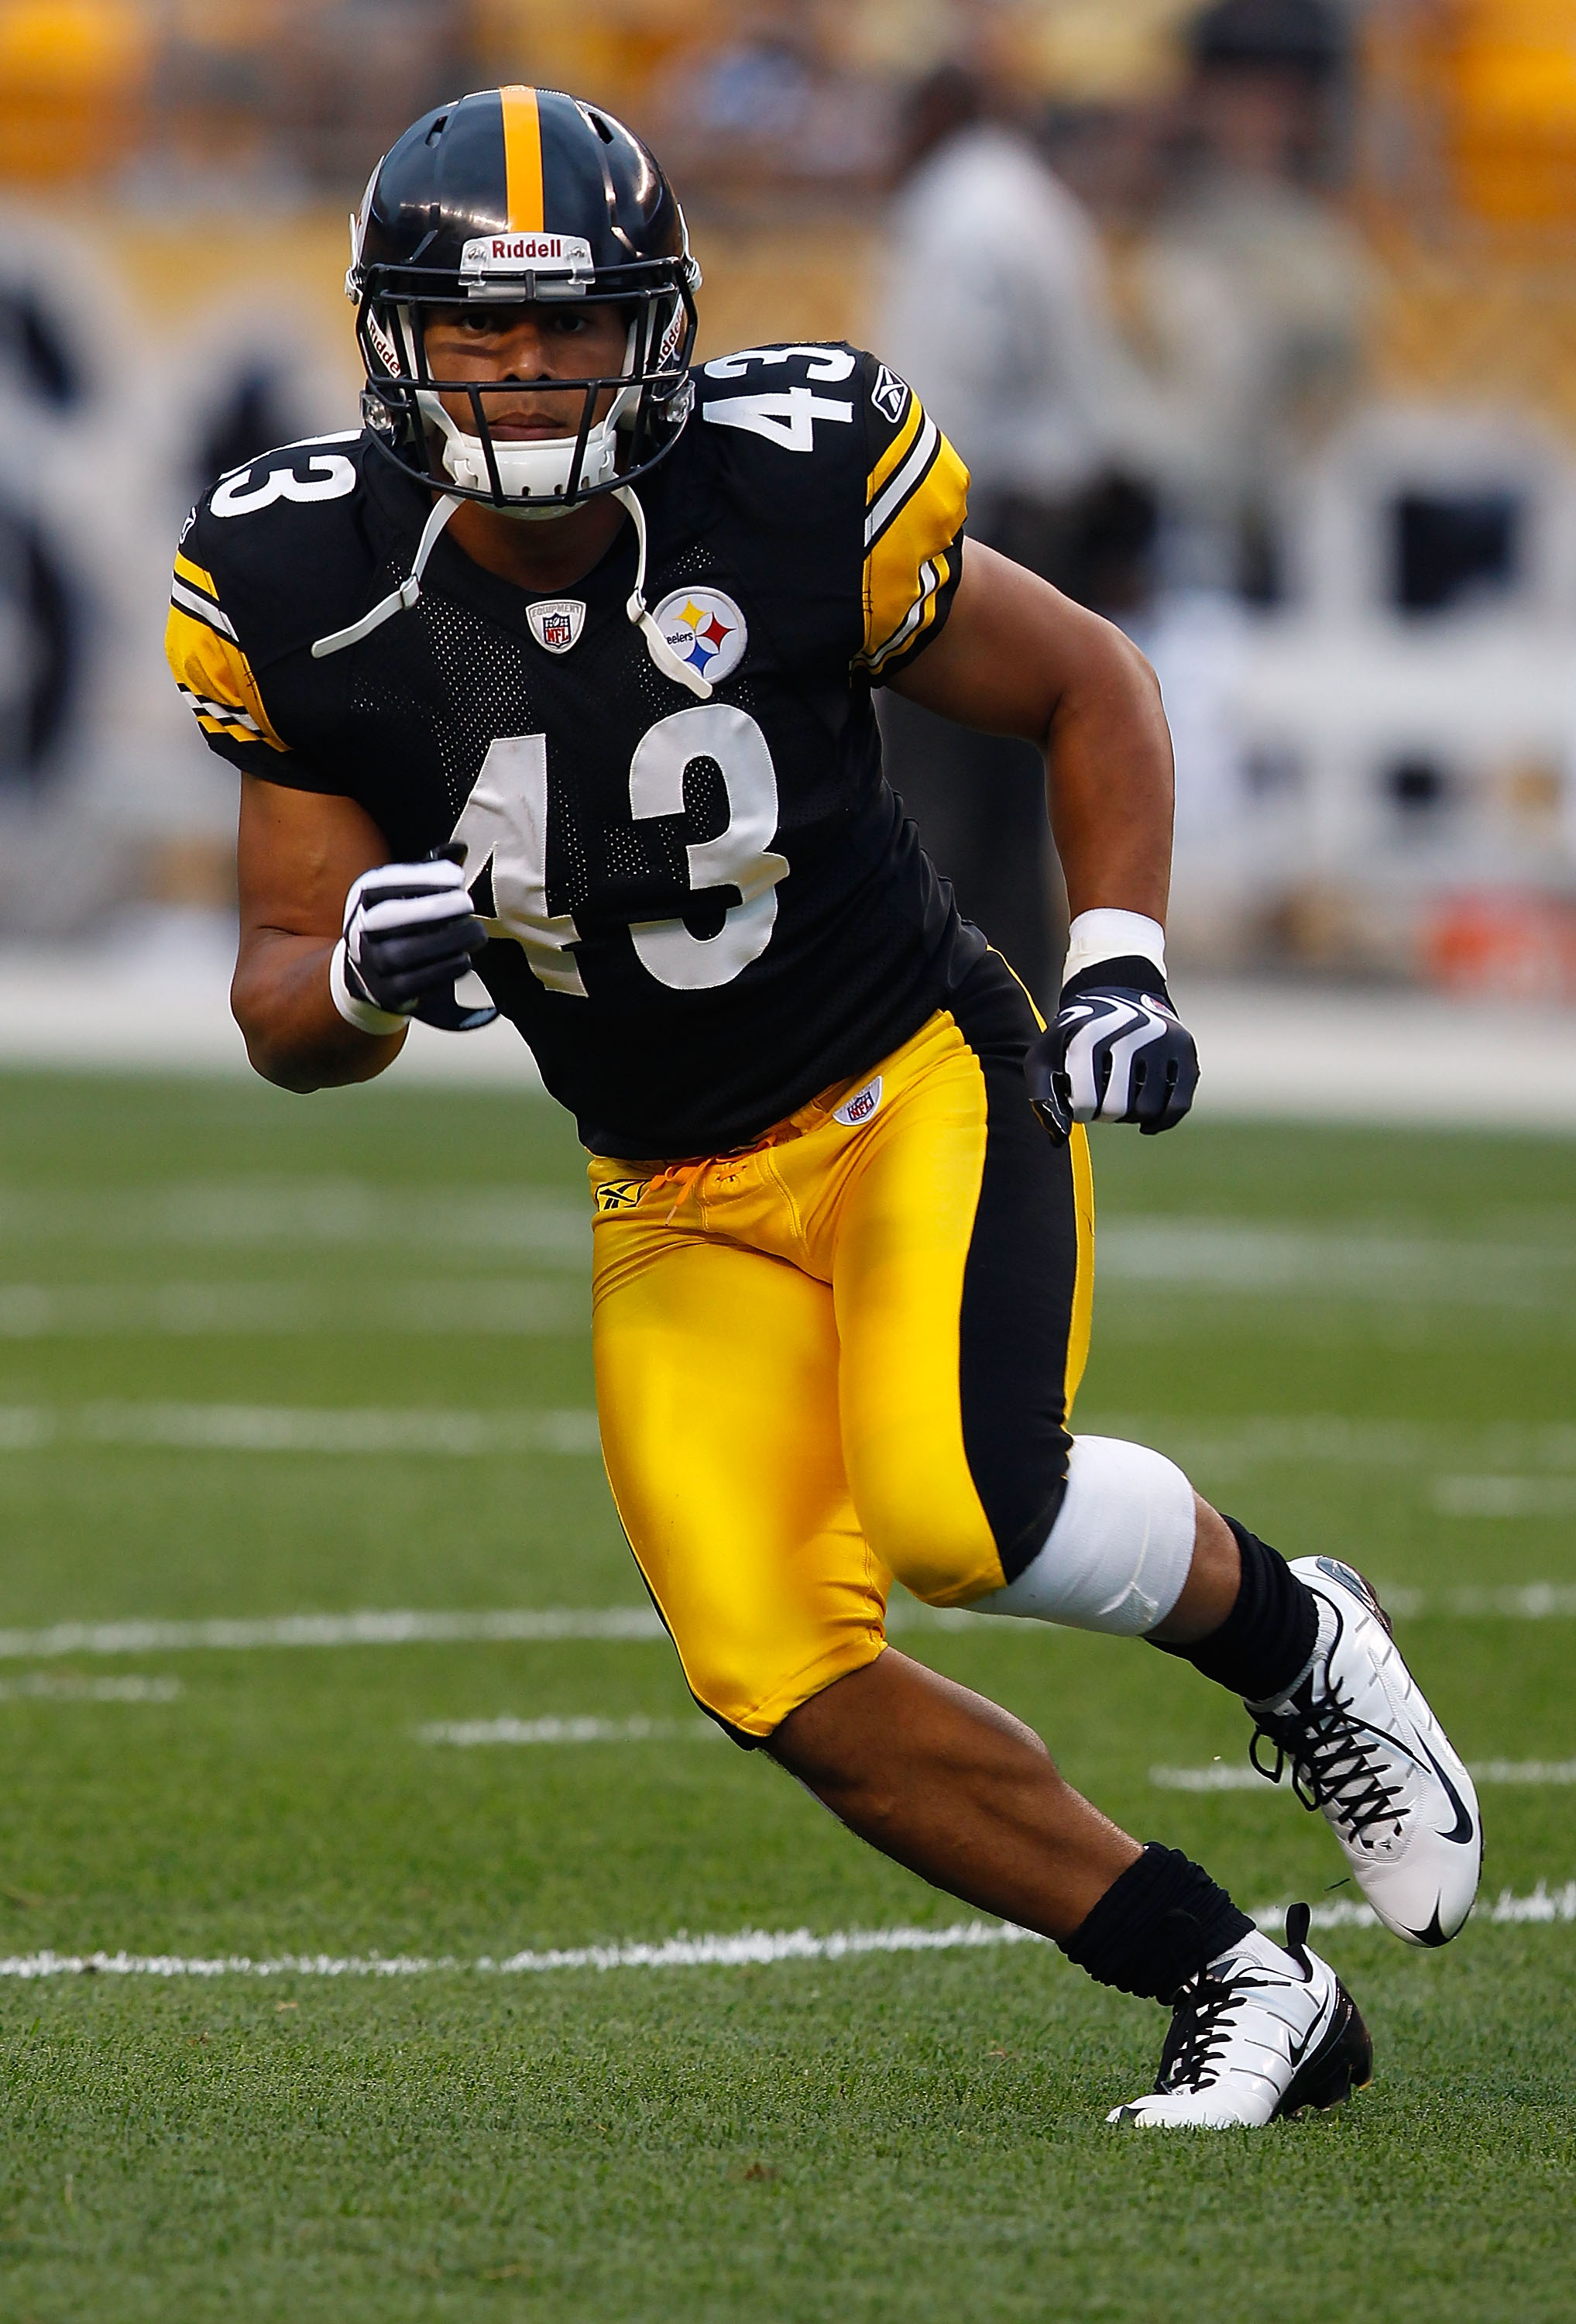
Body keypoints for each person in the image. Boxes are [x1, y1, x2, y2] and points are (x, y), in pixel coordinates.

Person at [166, 86, 1480, 2128]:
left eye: (575, 323)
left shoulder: (787, 480)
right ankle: (1236, 1979)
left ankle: (1296, 1634)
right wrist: (352, 977)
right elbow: (276, 992)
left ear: (660, 328)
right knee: (775, 1673)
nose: (527, 368)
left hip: (905, 1084)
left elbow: (1089, 684)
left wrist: (1120, 956)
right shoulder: (297, 570)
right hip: (665, 1188)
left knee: (967, 1513)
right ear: (390, 336)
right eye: (481, 326)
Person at [876, 64, 1141, 1003]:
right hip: (1042, 507)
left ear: (937, 113)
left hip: (969, 512)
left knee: (932, 791)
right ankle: (1017, 994)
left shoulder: (964, 209)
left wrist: (901, 527)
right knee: (1009, 796)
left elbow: (946, 388)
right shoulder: (1029, 201)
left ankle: (934, 1001)